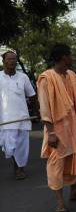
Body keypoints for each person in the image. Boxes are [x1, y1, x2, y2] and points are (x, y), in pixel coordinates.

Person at [37, 44, 76, 212]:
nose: (72, 58)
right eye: (70, 55)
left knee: (74, 157)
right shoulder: (46, 78)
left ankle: (75, 191)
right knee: (57, 164)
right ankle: (60, 204)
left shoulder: (70, 75)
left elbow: (74, 99)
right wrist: (51, 133)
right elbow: (45, 107)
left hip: (72, 125)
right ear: (63, 57)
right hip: (57, 128)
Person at [0, 50, 36, 180]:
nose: (13, 61)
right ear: (3, 61)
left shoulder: (23, 77)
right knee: (9, 146)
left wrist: (37, 112)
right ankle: (18, 166)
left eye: (14, 59)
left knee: (21, 146)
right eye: (9, 59)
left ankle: (19, 169)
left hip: (22, 118)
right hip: (5, 119)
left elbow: (32, 95)